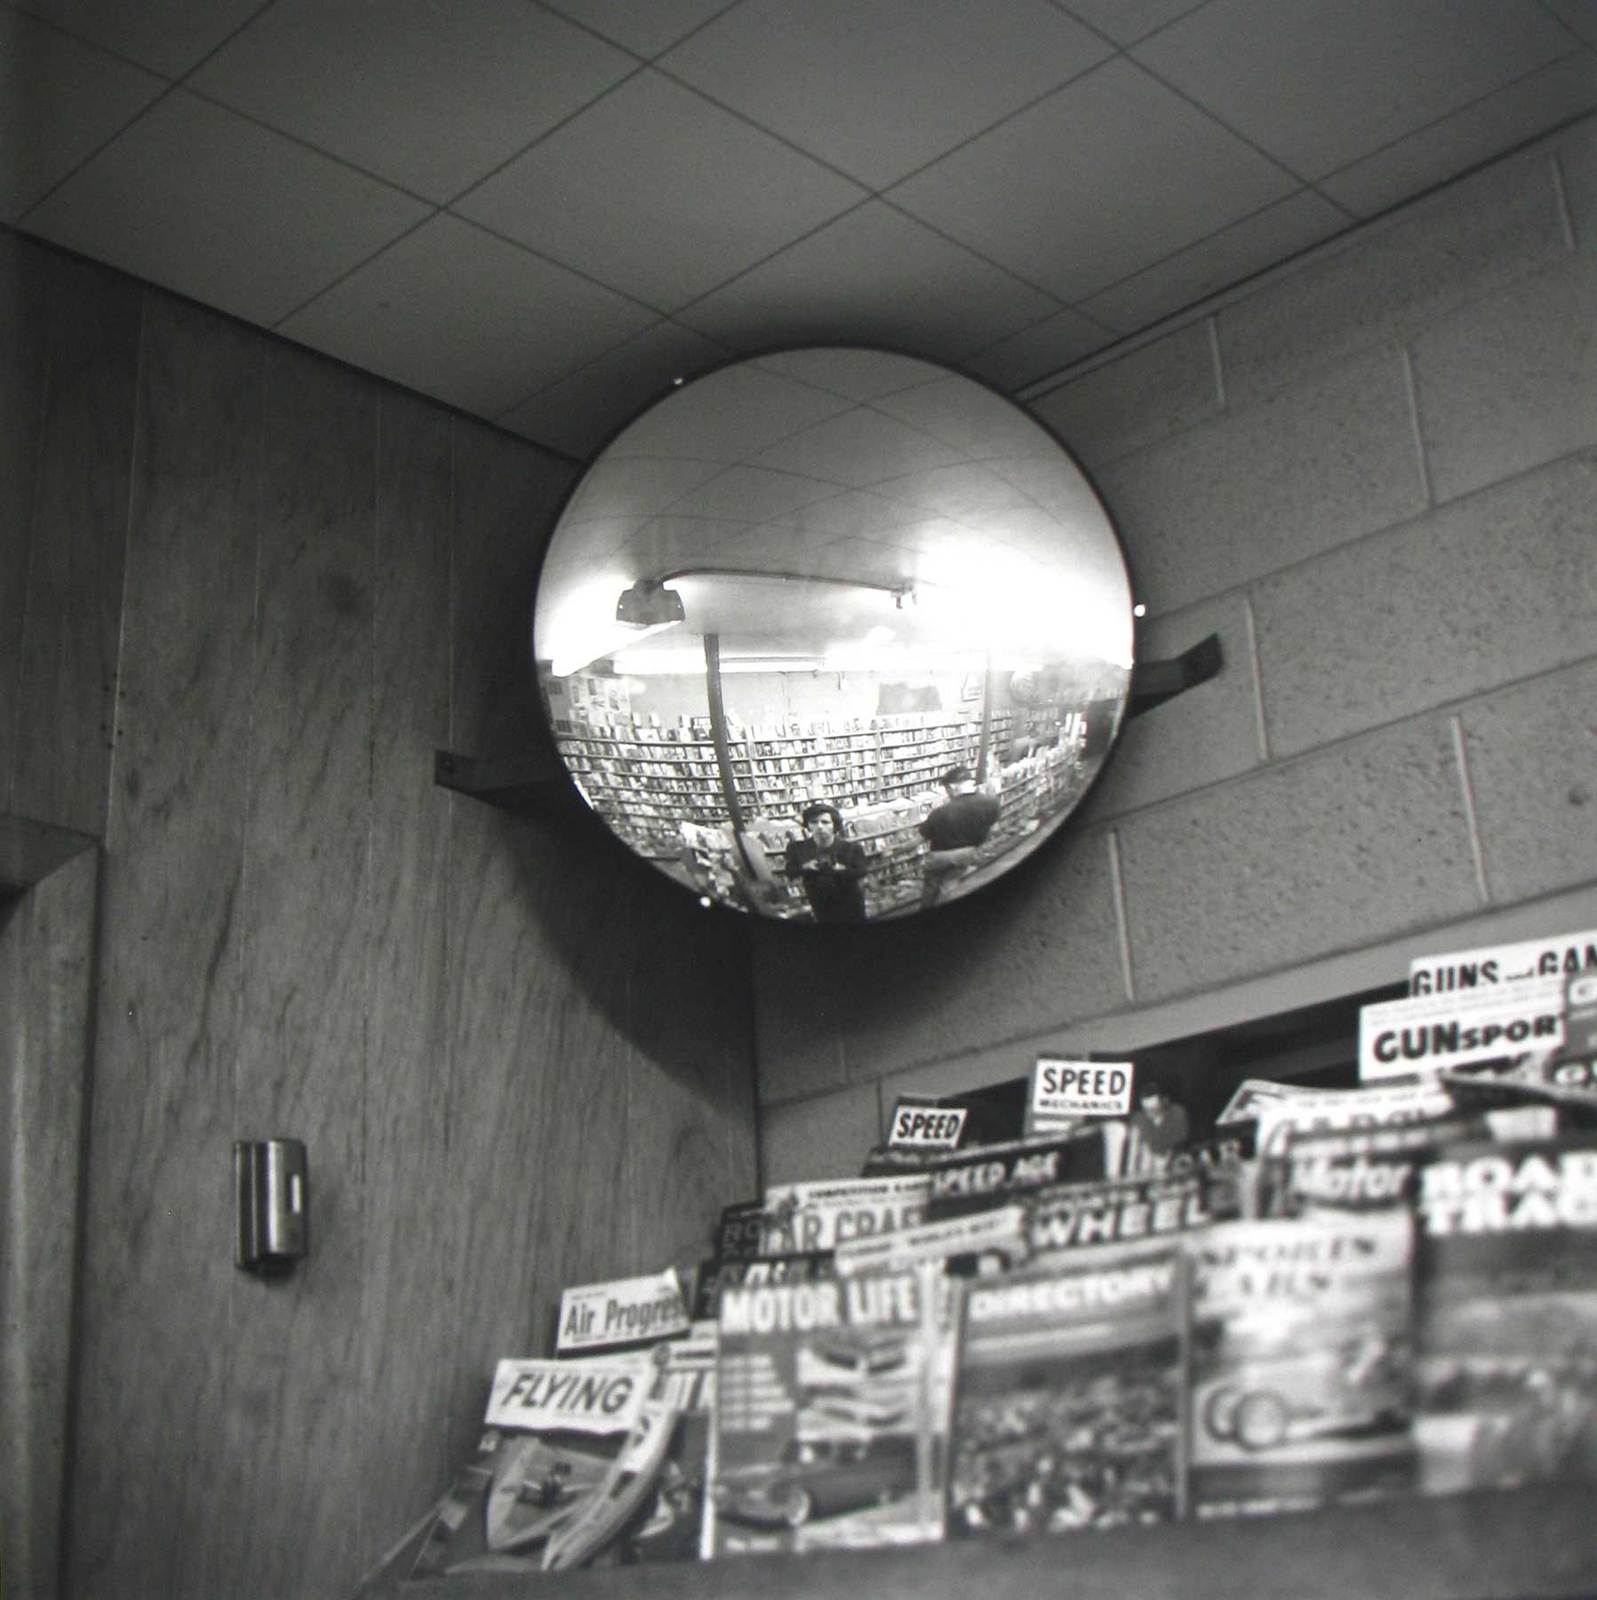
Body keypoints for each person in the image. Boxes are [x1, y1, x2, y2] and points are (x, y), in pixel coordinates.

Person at [918, 766, 1001, 907]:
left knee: (931, 886)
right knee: (950, 884)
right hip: (968, 853)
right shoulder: (992, 802)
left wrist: (896, 850)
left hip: (939, 856)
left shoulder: (940, 812)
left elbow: (920, 838)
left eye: (946, 790)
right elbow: (994, 828)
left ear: (951, 787)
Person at [783, 802, 868, 922]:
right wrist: (804, 867)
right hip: (820, 904)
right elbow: (789, 872)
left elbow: (862, 871)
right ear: (807, 825)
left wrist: (842, 870)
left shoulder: (851, 847)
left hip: (850, 902)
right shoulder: (797, 848)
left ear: (834, 825)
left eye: (825, 822)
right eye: (814, 822)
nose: (819, 826)